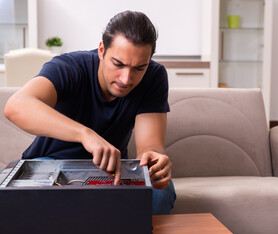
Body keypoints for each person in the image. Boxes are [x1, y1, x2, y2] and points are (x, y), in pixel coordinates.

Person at [3, 10, 176, 215]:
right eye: (118, 64)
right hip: (49, 163)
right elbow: (16, 106)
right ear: (102, 50)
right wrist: (86, 135)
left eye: (139, 68)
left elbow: (150, 146)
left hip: (112, 170)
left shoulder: (154, 77)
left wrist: (155, 159)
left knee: (161, 192)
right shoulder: (70, 67)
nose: (126, 79)